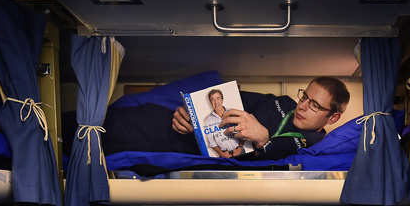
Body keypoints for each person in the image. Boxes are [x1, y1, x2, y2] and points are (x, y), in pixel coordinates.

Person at [102, 76, 350, 161]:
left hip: (184, 150)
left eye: (315, 105)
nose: (303, 106)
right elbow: (226, 98)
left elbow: (280, 159)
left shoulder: (315, 146)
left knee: (108, 139)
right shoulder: (284, 102)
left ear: (333, 117)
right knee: (109, 120)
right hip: (178, 130)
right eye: (304, 96)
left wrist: (264, 139)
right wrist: (190, 112)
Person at [201, 88, 242, 158]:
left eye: (218, 98)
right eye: (212, 99)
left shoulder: (234, 112)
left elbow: (243, 131)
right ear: (210, 102)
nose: (216, 102)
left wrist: (240, 148)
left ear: (222, 100)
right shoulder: (207, 121)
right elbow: (212, 142)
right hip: (224, 155)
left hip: (240, 151)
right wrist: (221, 153)